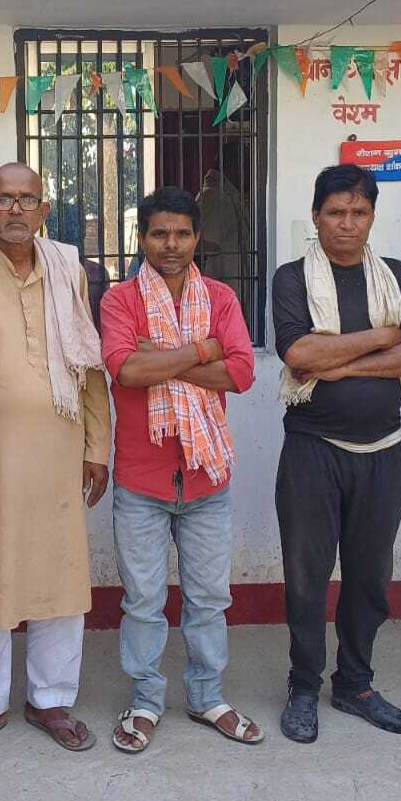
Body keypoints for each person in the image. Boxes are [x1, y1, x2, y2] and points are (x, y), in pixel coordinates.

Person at [0, 162, 111, 758]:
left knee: (60, 576)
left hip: (59, 460)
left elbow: (89, 367)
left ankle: (50, 699)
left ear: (43, 210)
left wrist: (98, 447)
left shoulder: (69, 272)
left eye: (27, 200)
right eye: (3, 200)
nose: (15, 210)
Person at [271, 164, 401, 743]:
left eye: (358, 212)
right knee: (306, 578)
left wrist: (340, 364)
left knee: (369, 578)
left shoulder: (395, 276)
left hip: (383, 454)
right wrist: (381, 337)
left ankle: (355, 684)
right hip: (312, 452)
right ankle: (303, 686)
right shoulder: (292, 278)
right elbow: (297, 354)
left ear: (372, 217)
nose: (347, 223)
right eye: (336, 212)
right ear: (316, 218)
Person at [99, 187, 262, 754]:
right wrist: (202, 350)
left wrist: (162, 359)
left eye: (182, 234)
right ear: (141, 238)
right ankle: (145, 700)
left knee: (209, 599)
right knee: (143, 603)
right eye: (159, 233)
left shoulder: (220, 297)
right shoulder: (120, 301)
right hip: (142, 481)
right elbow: (126, 370)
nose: (171, 245)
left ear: (198, 238)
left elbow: (241, 374)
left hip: (206, 479)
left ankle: (206, 696)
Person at [197, 165, 250, 300]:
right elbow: (206, 245)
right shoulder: (216, 198)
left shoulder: (224, 195)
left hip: (224, 286)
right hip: (221, 286)